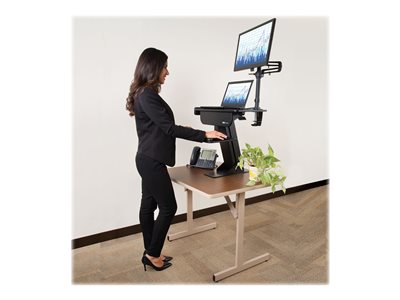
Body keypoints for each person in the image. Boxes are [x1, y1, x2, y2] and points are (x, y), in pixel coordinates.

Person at [126, 47, 227, 271]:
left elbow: (159, 127)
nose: (167, 72)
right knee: (168, 206)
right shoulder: (147, 95)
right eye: (164, 67)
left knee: (148, 204)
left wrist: (182, 129)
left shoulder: (143, 93)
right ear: (153, 68)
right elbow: (168, 129)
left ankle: (150, 252)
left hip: (147, 158)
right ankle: (153, 254)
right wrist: (203, 135)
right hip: (150, 160)